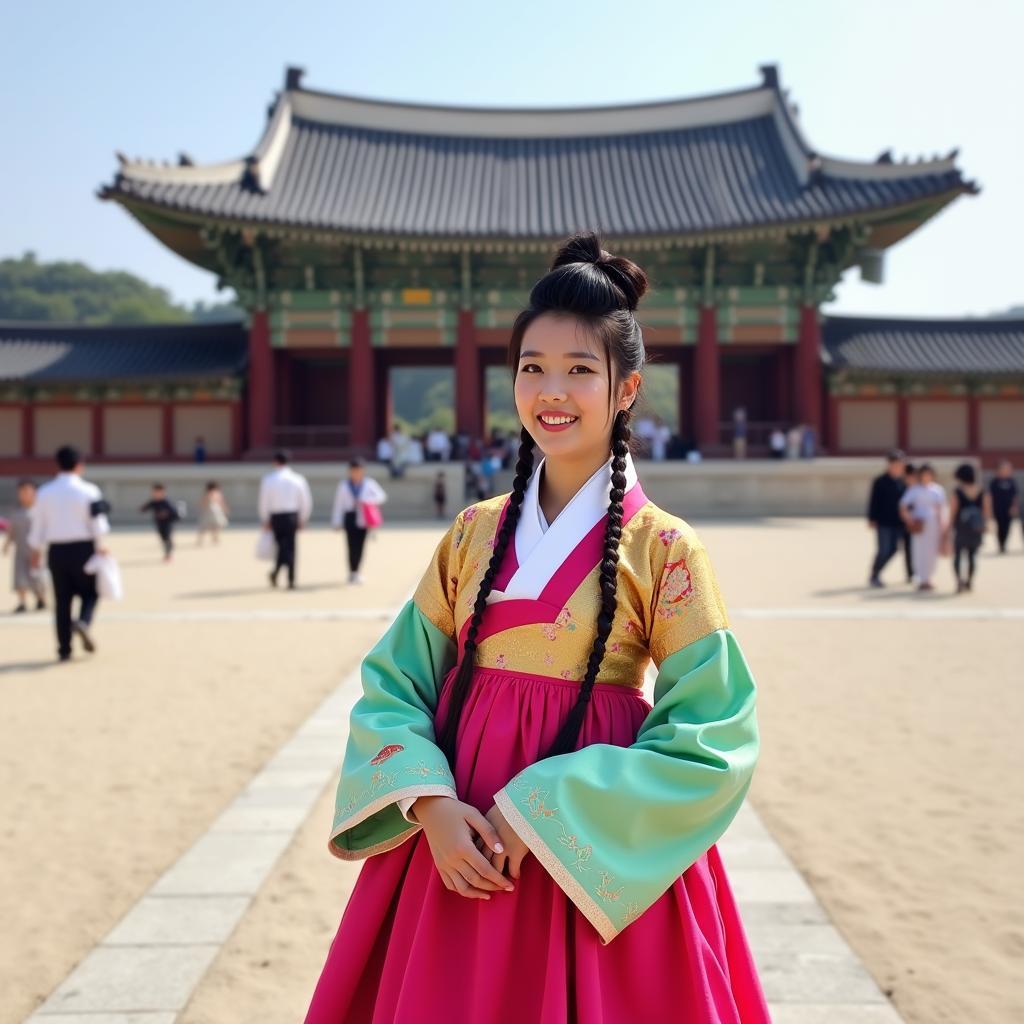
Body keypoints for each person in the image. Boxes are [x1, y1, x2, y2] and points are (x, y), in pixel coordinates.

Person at [305, 233, 769, 1023]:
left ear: (626, 390)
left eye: (581, 371)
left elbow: (712, 732)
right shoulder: (471, 535)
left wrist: (545, 808)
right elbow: (397, 683)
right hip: (458, 838)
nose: (552, 391)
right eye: (532, 368)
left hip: (587, 851)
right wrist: (429, 805)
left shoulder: (664, 547)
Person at [28, 445, 110, 661]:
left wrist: (36, 550)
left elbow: (38, 526)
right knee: (90, 592)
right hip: (84, 548)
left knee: (62, 601)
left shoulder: (45, 492)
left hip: (57, 551)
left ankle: (64, 649)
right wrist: (101, 544)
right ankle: (83, 621)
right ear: (79, 465)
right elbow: (98, 523)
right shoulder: (89, 491)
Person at [259, 451, 312, 590]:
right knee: (289, 548)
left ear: (275, 462)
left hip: (276, 517)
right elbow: (306, 501)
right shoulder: (297, 479)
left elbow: (264, 502)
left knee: (282, 547)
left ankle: (277, 574)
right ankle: (290, 579)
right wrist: (303, 518)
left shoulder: (269, 479)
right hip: (292, 516)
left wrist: (265, 519)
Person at [331, 458, 387, 584]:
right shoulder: (344, 485)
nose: (356, 473)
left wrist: (367, 500)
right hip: (349, 516)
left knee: (360, 545)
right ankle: (352, 571)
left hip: (363, 517)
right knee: (351, 545)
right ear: (350, 471)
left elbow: (381, 496)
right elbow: (338, 505)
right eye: (354, 471)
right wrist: (336, 521)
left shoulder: (369, 483)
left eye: (358, 470)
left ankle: (357, 571)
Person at [899, 463, 948, 592]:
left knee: (932, 552)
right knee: (919, 551)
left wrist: (943, 524)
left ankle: (929, 578)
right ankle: (921, 578)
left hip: (933, 524)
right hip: (919, 523)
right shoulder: (914, 490)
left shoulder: (937, 490)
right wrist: (909, 519)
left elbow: (940, 508)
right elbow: (903, 505)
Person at [3, 480, 47, 613]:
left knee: (37, 576)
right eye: (22, 492)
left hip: (36, 549)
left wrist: (41, 549)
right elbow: (12, 531)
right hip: (20, 548)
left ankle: (41, 599)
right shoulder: (16, 511)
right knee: (20, 576)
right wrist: (7, 545)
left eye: (28, 491)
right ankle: (22, 602)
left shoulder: (40, 510)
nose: (25, 495)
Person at [867, 449, 907, 588]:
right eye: (895, 464)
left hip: (898, 522)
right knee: (883, 549)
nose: (898, 467)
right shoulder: (880, 481)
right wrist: (872, 519)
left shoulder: (903, 482)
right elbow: (874, 501)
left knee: (894, 549)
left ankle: (878, 572)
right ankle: (874, 574)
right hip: (883, 521)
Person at [949, 464, 990, 593]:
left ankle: (959, 581)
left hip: (961, 527)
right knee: (972, 555)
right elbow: (986, 510)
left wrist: (949, 526)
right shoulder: (981, 490)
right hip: (975, 527)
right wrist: (985, 524)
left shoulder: (958, 491)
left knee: (957, 556)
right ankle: (969, 582)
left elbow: (953, 510)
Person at [139, 483, 180, 562]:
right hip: (159, 524)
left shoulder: (166, 502)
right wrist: (142, 508)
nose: (155, 494)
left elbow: (174, 512)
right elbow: (145, 508)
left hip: (168, 524)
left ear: (162, 492)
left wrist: (166, 514)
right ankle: (168, 550)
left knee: (167, 538)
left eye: (157, 492)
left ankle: (168, 554)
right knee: (163, 539)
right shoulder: (154, 502)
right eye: (154, 492)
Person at [988, 459, 1019, 554]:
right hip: (997, 508)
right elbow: (989, 496)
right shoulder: (994, 482)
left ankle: (1004, 543)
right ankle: (1000, 544)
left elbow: (1015, 496)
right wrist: (989, 509)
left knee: (1007, 527)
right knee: (999, 526)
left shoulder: (1011, 481)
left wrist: (1014, 506)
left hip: (1008, 508)